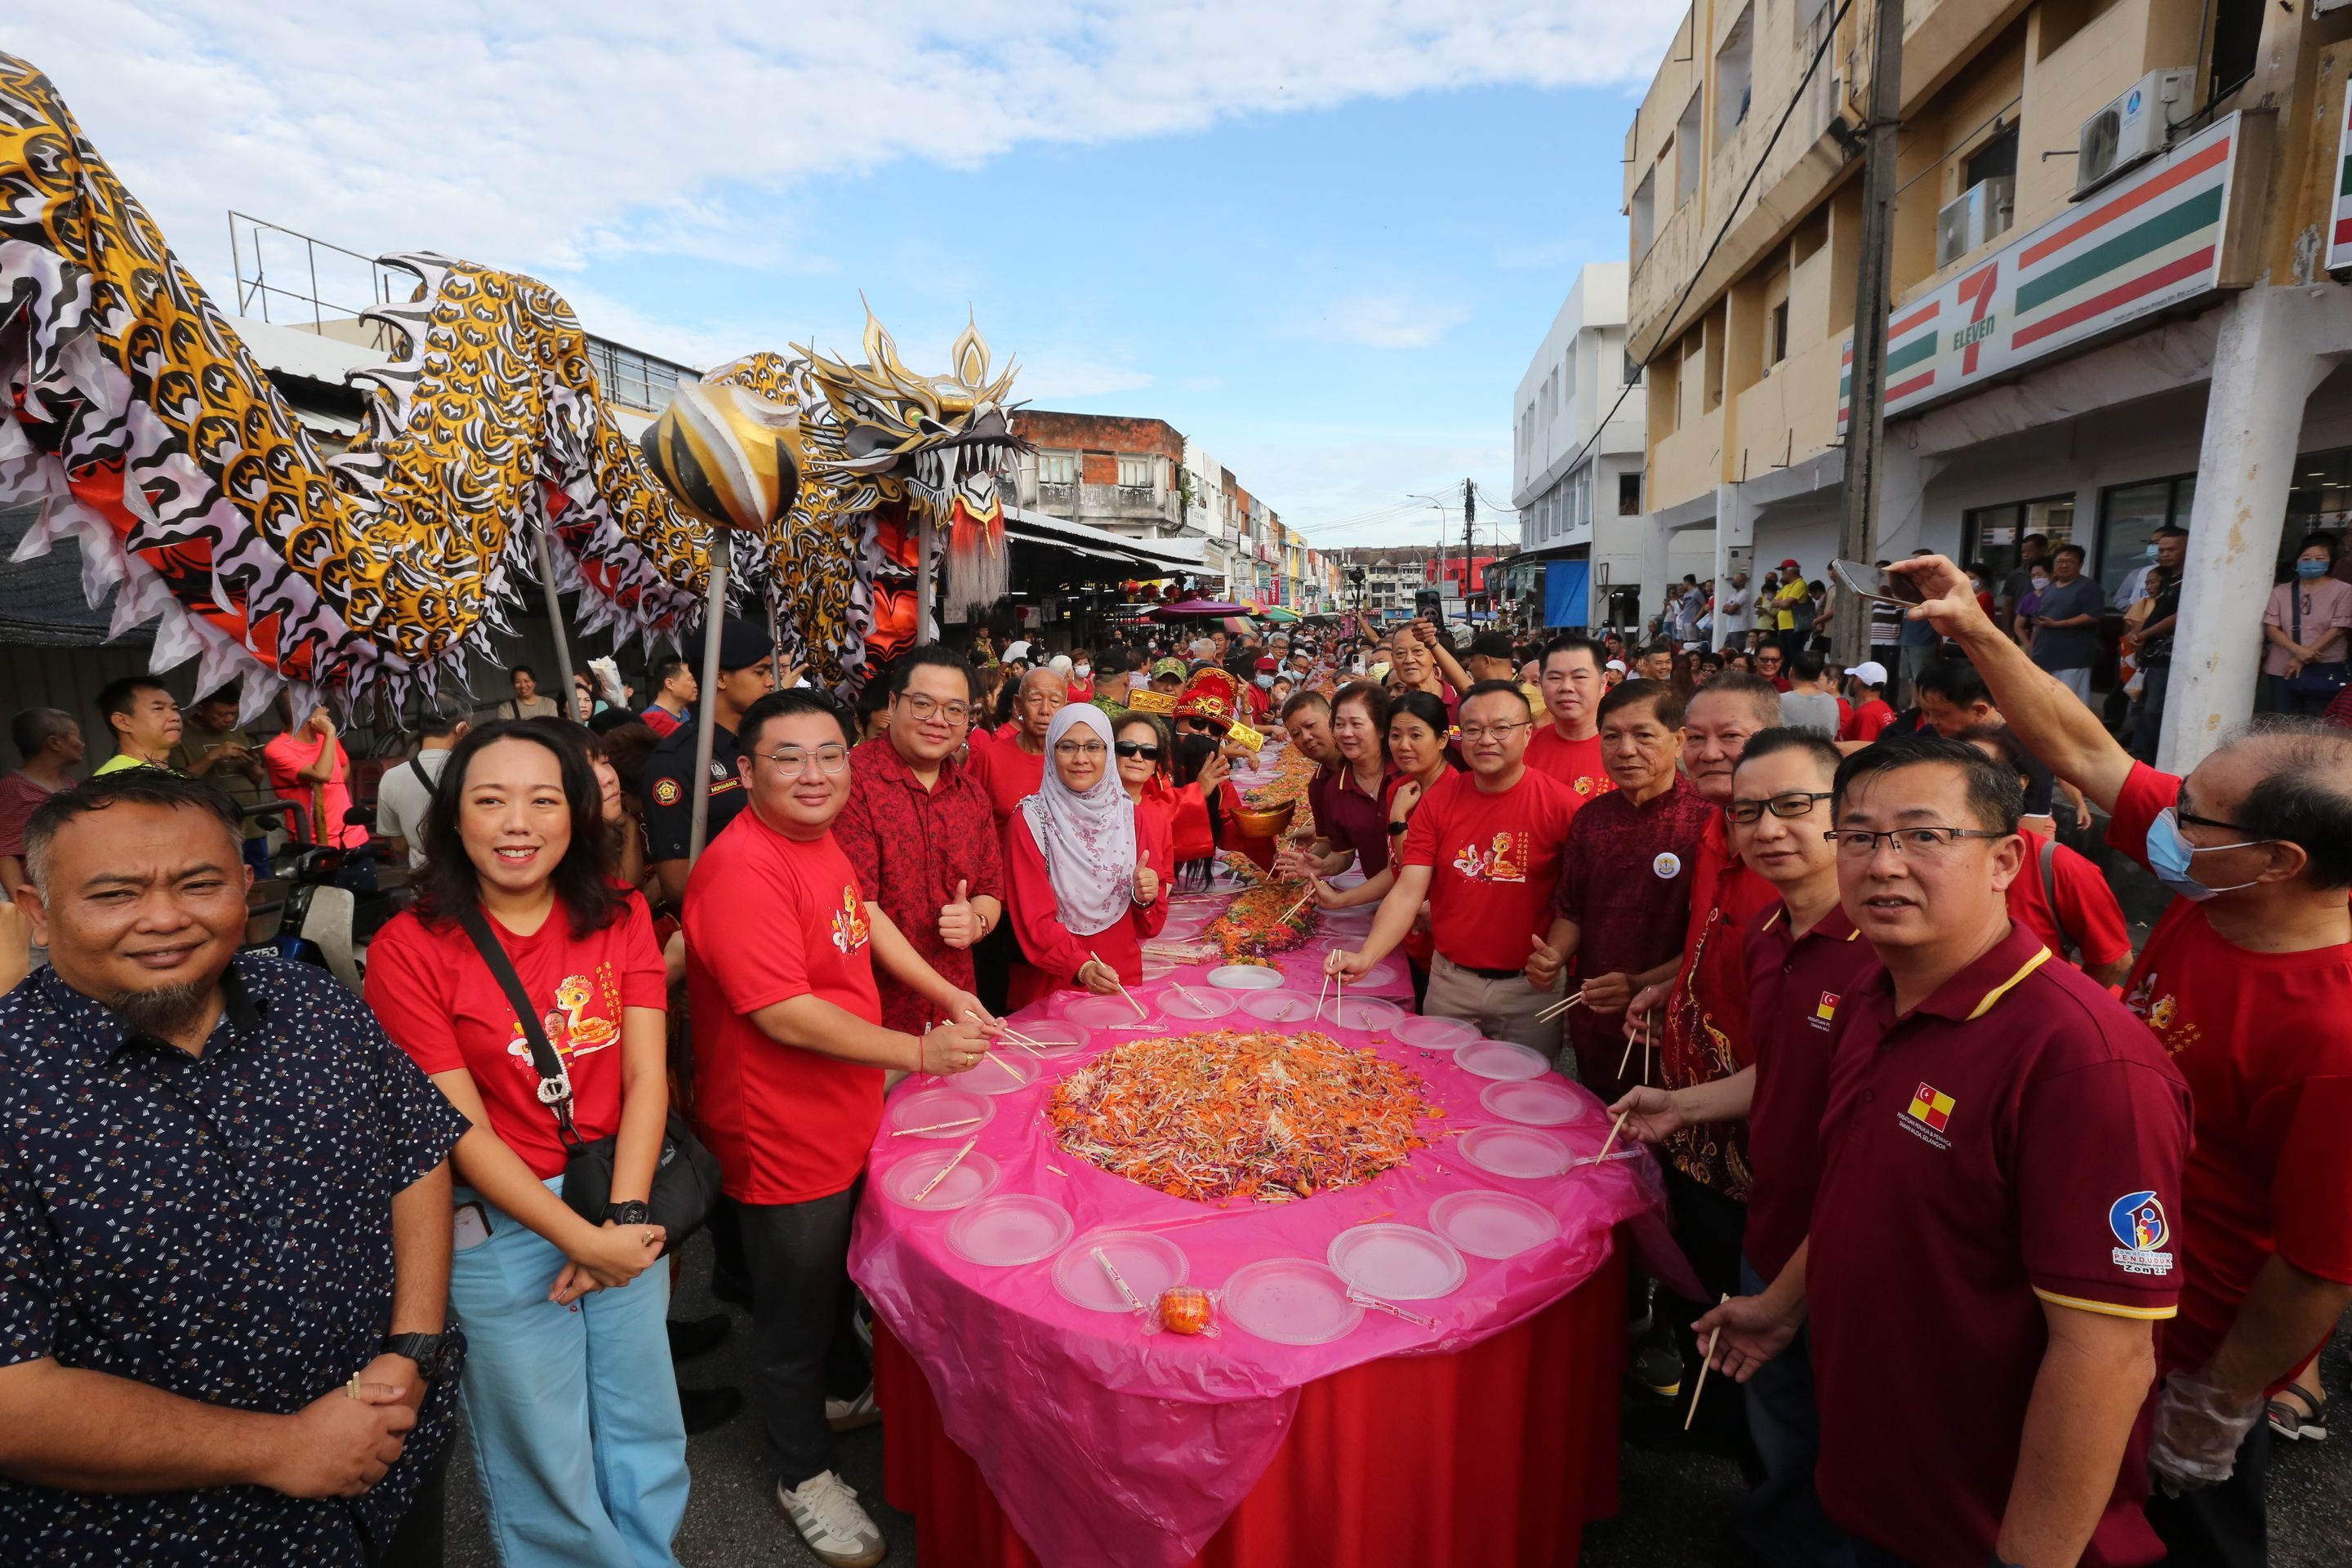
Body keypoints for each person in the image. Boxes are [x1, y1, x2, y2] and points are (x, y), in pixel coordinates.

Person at [1888, 552, 2352, 1565]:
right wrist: (1974, 626)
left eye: (2193, 815)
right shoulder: (2215, 883)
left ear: (2283, 862)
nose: (2158, 823)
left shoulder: (2335, 1039)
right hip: (2079, 1275)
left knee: (2175, 1537)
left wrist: (2220, 1401)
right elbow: (2087, 747)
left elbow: (2317, 1269)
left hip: (2177, 1348)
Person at [1697, 734, 2190, 1567]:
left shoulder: (2084, 1064)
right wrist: (1781, 1307)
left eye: (1925, 836)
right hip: (1873, 1473)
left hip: (1980, 1523)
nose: (1883, 864)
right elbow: (1869, 1191)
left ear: (2005, 860)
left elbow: (2106, 1356)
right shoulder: (1869, 994)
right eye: (1858, 836)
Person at [0, 770, 463, 1563]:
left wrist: (412, 1348)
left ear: (246, 888)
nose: (164, 918)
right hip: (176, 1538)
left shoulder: (312, 1003)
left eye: (199, 883)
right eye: (114, 894)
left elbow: (413, 1153)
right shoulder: (15, 1089)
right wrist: (279, 1448)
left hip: (394, 1464)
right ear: (39, 912)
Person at [685, 690, 996, 1567]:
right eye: (789, 757)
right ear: (747, 771)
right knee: (790, 1314)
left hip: (843, 1104)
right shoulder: (742, 866)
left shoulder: (814, 841)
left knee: (830, 1284)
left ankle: (834, 1392)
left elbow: (866, 920)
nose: (815, 774)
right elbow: (782, 1012)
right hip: (781, 1127)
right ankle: (802, 1475)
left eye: (830, 754)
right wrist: (920, 1051)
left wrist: (943, 989)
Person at [365, 721, 688, 1566]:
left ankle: (650, 1556)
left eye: (543, 800)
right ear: (453, 819)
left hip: (617, 1195)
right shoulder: (409, 950)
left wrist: (620, 1217)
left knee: (641, 1418)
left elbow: (647, 1077)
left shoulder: (619, 919)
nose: (518, 823)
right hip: (502, 1228)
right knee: (543, 1449)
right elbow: (457, 1128)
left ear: (577, 815)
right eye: (490, 800)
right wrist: (581, 1240)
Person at [1609, 727, 1867, 1561]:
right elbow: (1783, 1076)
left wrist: (1790, 1292)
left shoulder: (1887, 951)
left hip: (1855, 1244)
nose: (1769, 829)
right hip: (1775, 1211)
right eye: (1751, 812)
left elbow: (1878, 1158)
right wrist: (1680, 1106)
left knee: (1853, 1439)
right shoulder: (1769, 935)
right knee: (1784, 1420)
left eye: (1796, 807)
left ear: (1849, 817)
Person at [1330, 682, 1574, 1050]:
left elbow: (1577, 904)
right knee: (1441, 1089)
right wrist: (1368, 956)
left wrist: (1560, 953)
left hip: (1529, 989)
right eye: (1473, 729)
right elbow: (1409, 889)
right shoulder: (1438, 801)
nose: (1486, 739)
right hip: (1450, 983)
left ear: (1527, 734)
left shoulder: (1563, 806)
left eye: (1501, 728)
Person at [1531, 678, 1713, 1103]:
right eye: (1612, 736)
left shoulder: (1707, 824)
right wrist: (1554, 956)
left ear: (1678, 740)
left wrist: (1640, 984)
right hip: (1595, 1008)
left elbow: (1713, 938)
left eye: (1643, 735)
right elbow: (1571, 909)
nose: (1626, 750)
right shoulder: (1591, 819)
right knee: (1598, 1116)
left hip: (1670, 1017)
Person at [832, 647, 1005, 1036]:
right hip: (876, 1019)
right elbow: (860, 908)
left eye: (955, 710)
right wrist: (946, 994)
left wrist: (976, 923)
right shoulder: (851, 783)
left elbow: (991, 891)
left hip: (956, 1012)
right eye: (923, 704)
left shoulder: (971, 794)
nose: (938, 721)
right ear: (893, 703)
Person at [1003, 706, 1169, 1008]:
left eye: (1093, 747)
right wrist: (1080, 967)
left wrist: (1145, 896)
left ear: (1107, 753)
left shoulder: (1131, 817)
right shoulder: (1029, 822)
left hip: (1121, 981)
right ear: (1051, 753)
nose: (1081, 758)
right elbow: (1034, 921)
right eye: (1067, 747)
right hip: (1053, 985)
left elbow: (1150, 925)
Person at [1958, 726, 2132, 987]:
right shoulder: (1911, 856)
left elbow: (2115, 961)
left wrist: (2061, 1009)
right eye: (1954, 775)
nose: (1965, 789)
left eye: (1984, 776)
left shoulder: (2061, 867)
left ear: (2020, 784)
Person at [639, 618, 779, 906]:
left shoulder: (768, 745)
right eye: (760, 672)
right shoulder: (676, 764)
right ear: (720, 679)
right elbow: (679, 884)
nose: (771, 681)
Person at [1290, 685, 1392, 884]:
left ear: (1381, 728)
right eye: (1340, 725)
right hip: (1390, 896)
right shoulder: (1333, 789)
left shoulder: (1407, 772)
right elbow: (1342, 851)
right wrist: (1321, 866)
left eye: (1356, 724)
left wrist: (1342, 901)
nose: (1346, 733)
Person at [170, 690, 273, 873]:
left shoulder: (235, 732)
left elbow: (257, 777)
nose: (229, 719)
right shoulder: (180, 736)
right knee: (227, 878)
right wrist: (213, 756)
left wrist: (251, 765)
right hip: (215, 827)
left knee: (262, 880)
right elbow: (177, 781)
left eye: (233, 714)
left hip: (251, 823)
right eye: (221, 714)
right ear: (200, 709)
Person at [376, 694, 471, 870]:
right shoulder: (474, 770)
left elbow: (399, 844)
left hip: (424, 883)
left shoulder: (391, 778)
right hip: (470, 875)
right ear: (462, 728)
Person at [2260, 532, 2351, 715]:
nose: (2312, 562)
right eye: (2306, 558)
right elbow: (2271, 627)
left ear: (2330, 561)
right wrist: (2299, 651)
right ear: (2297, 561)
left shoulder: (2344, 591)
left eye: (2319, 558)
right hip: (2282, 668)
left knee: (2323, 723)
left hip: (2325, 667)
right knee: (2282, 720)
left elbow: (2339, 628)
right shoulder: (2281, 591)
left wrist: (2302, 657)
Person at [0, 708, 83, 898]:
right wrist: (23, 905)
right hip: (44, 898)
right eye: (77, 737)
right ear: (54, 743)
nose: (82, 744)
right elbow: (6, 852)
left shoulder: (69, 784)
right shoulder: (14, 790)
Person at [262, 700, 368, 850]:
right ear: (306, 714)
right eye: (320, 706)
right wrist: (330, 732)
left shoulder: (325, 738)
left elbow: (344, 766)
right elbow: (322, 774)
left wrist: (332, 794)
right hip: (312, 843)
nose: (326, 709)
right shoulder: (276, 749)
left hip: (353, 835)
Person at [2126, 527, 2187, 763]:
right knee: (2139, 710)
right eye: (2162, 549)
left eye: (2171, 549)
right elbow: (2154, 612)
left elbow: (2178, 617)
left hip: (2167, 657)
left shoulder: (2188, 581)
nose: (2165, 554)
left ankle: (2154, 761)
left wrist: (2145, 633)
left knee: (2154, 711)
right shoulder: (2166, 580)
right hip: (2149, 655)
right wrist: (2137, 632)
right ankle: (2140, 758)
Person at [2026, 543, 2105, 703]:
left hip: (2072, 658)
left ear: (2080, 564)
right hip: (2043, 655)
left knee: (2069, 703)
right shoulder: (2049, 589)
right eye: (2059, 561)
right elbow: (2039, 621)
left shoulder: (2088, 587)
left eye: (2070, 561)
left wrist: (2057, 625)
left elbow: (2092, 616)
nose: (2063, 565)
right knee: (2044, 701)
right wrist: (2031, 650)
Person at [92, 675, 181, 775]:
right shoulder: (116, 779)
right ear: (122, 722)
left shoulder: (177, 777)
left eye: (174, 708)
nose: (175, 717)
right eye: (158, 708)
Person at [1776, 652, 1847, 739]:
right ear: (1818, 675)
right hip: (1823, 752)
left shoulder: (1779, 701)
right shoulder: (1832, 702)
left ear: (1791, 672)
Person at [1996, 532, 2051, 637]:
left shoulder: (2054, 573)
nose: (2025, 555)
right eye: (2023, 552)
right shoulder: (2015, 575)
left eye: (2030, 551)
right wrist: (2007, 631)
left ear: (2043, 549)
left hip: (2048, 627)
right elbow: (2008, 604)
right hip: (2020, 627)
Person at [1839, 661, 1897, 744]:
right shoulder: (1884, 707)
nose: (1850, 681)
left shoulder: (1866, 713)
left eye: (1852, 676)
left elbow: (1863, 749)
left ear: (1858, 681)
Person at [639, 657, 697, 737]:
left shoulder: (684, 712)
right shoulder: (651, 720)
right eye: (692, 679)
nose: (696, 685)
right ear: (670, 684)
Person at [1771, 559, 1812, 660]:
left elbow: (1786, 604)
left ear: (1792, 571)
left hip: (1794, 626)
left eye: (1784, 570)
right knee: (1784, 657)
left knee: (1794, 655)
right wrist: (1783, 602)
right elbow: (1773, 602)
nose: (1782, 573)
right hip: (1784, 627)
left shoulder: (1800, 584)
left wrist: (1783, 602)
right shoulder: (1786, 587)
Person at [498, 665, 562, 722]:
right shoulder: (506, 708)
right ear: (513, 685)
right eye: (517, 682)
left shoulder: (549, 704)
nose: (523, 685)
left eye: (526, 681)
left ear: (534, 683)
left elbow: (554, 730)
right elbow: (506, 733)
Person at [1717, 570, 1752, 651]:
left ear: (1743, 581)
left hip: (1739, 628)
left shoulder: (1744, 593)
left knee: (1736, 652)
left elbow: (1731, 611)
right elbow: (1723, 609)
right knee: (1725, 652)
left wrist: (1731, 609)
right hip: (1730, 628)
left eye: (1736, 580)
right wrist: (1733, 609)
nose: (1733, 582)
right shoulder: (1734, 595)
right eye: (1733, 580)